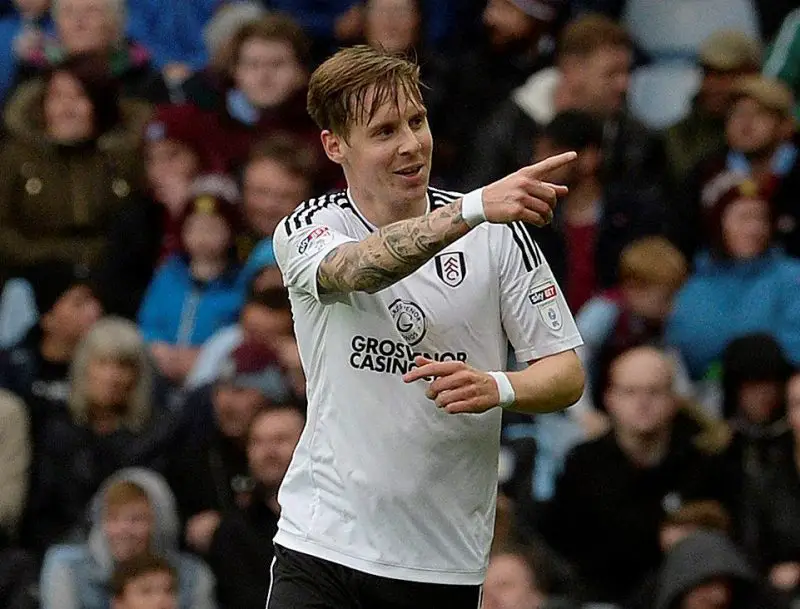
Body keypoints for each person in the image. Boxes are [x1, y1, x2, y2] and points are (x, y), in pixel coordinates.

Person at [270, 45, 584, 609]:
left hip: (441, 562)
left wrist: (498, 387)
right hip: (322, 543)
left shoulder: (497, 234)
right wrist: (471, 210)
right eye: (384, 131)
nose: (411, 144)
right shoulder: (311, 226)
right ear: (335, 146)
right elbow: (357, 269)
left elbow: (566, 373)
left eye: (417, 121)